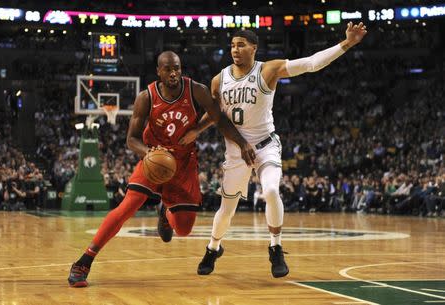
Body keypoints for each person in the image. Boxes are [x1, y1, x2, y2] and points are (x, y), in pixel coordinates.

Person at [179, 22, 367, 278]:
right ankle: (213, 247)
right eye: (232, 45)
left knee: (269, 190)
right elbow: (214, 115)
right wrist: (194, 131)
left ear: (254, 48)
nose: (235, 49)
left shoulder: (268, 70)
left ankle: (275, 246)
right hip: (236, 151)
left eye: (241, 45)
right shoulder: (218, 80)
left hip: (265, 145)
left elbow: (311, 63)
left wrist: (346, 44)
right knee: (227, 209)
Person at [68, 51, 255, 287]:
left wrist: (242, 142)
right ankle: (84, 261)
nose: (173, 73)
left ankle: (165, 211)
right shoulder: (146, 97)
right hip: (154, 159)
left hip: (184, 164)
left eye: (176, 67)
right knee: (127, 207)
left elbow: (219, 118)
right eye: (168, 69)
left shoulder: (196, 90)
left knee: (184, 230)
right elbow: (132, 139)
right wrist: (150, 154)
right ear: (159, 71)